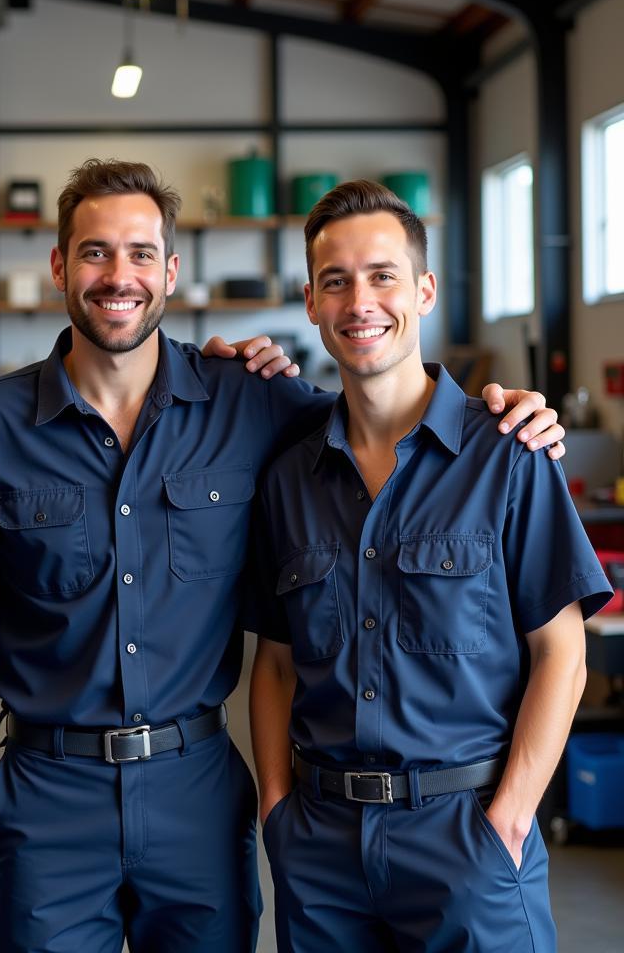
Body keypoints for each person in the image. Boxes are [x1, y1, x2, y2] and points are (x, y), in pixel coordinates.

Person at [0, 160, 565, 953]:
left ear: (170, 272)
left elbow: (380, 404)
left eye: (140, 254)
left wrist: (506, 412)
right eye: (95, 253)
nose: (118, 276)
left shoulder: (252, 399)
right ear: (60, 266)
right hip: (50, 787)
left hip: (195, 790)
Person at [248, 179, 612, 953]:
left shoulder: (510, 454)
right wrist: (277, 809)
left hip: (468, 836)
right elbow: (275, 665)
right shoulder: (289, 479)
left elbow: (563, 655)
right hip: (322, 849)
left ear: (425, 289)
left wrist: (509, 820)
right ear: (310, 303)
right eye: (335, 281)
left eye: (382, 276)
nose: (360, 302)